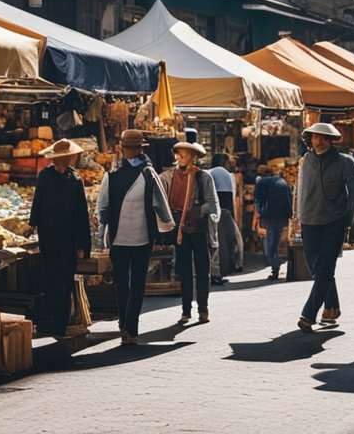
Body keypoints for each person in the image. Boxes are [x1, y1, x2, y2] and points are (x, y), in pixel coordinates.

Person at [96, 129, 175, 345]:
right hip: (142, 239)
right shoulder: (149, 173)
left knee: (122, 284)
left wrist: (102, 236)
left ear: (121, 149)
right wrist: (168, 227)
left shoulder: (111, 176)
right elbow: (161, 204)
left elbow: (102, 209)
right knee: (137, 284)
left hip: (119, 240)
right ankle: (130, 328)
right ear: (141, 149)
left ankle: (125, 325)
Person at [295, 122, 354, 333]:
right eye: (315, 137)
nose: (319, 140)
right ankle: (332, 307)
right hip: (308, 221)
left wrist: (352, 221)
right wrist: (298, 217)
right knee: (317, 269)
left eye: (324, 137)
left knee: (325, 269)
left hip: (334, 222)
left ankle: (308, 315)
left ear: (331, 140)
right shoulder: (305, 161)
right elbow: (299, 190)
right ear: (310, 139)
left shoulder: (345, 162)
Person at [30, 139, 92, 338]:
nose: (65, 161)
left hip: (68, 241)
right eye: (62, 158)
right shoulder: (45, 177)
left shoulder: (75, 180)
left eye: (67, 158)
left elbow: (81, 214)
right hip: (48, 239)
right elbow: (37, 204)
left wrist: (83, 245)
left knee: (65, 283)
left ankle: (61, 325)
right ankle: (56, 322)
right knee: (52, 282)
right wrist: (32, 224)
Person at [159, 140, 219, 324]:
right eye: (180, 154)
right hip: (180, 229)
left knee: (202, 271)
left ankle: (203, 309)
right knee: (184, 271)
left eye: (185, 155)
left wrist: (197, 211)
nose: (181, 158)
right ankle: (186, 310)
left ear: (193, 157)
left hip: (199, 228)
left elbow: (212, 203)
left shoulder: (204, 177)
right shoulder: (169, 176)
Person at [254, 164, 294, 279]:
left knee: (269, 244)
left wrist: (258, 218)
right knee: (279, 242)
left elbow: (258, 201)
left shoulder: (261, 182)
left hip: (270, 217)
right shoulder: (282, 181)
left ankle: (275, 266)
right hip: (284, 216)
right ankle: (278, 267)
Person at [208, 153, 243, 283]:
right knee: (226, 241)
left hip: (217, 211)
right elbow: (229, 195)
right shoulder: (225, 173)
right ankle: (223, 270)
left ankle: (216, 272)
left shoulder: (212, 172)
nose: (230, 164)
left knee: (217, 242)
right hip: (225, 209)